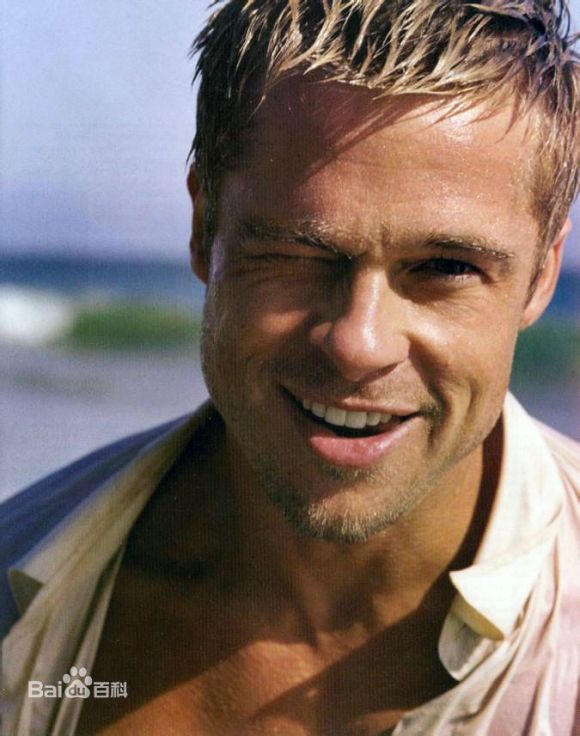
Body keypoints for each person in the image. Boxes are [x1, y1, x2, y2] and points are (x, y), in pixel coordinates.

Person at [1, 0, 579, 734]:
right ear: (203, 226)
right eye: (299, 253)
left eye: (445, 267)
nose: (359, 344)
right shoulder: (23, 590)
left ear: (541, 275)